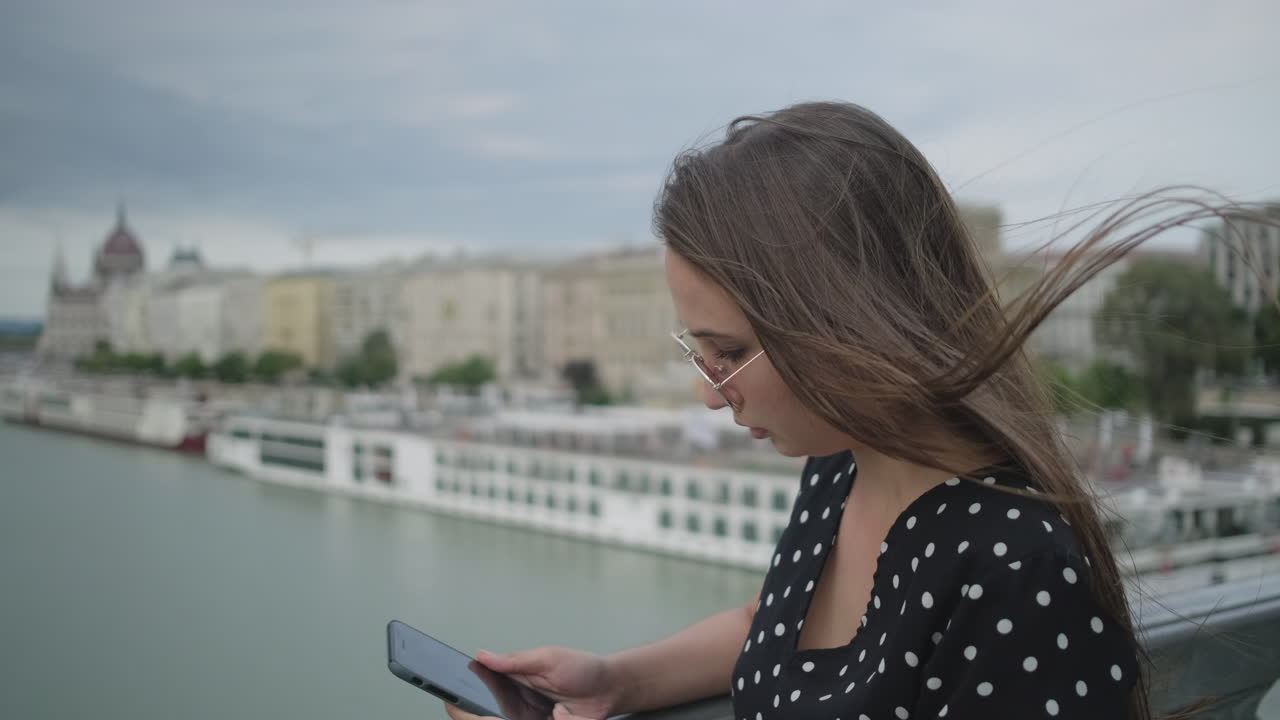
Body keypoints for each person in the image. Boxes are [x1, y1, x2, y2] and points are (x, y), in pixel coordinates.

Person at [443, 101, 1256, 720]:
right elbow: (780, 629)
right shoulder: (842, 468)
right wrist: (619, 680)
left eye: (726, 354)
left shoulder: (1014, 570)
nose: (706, 388)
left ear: (841, 330)